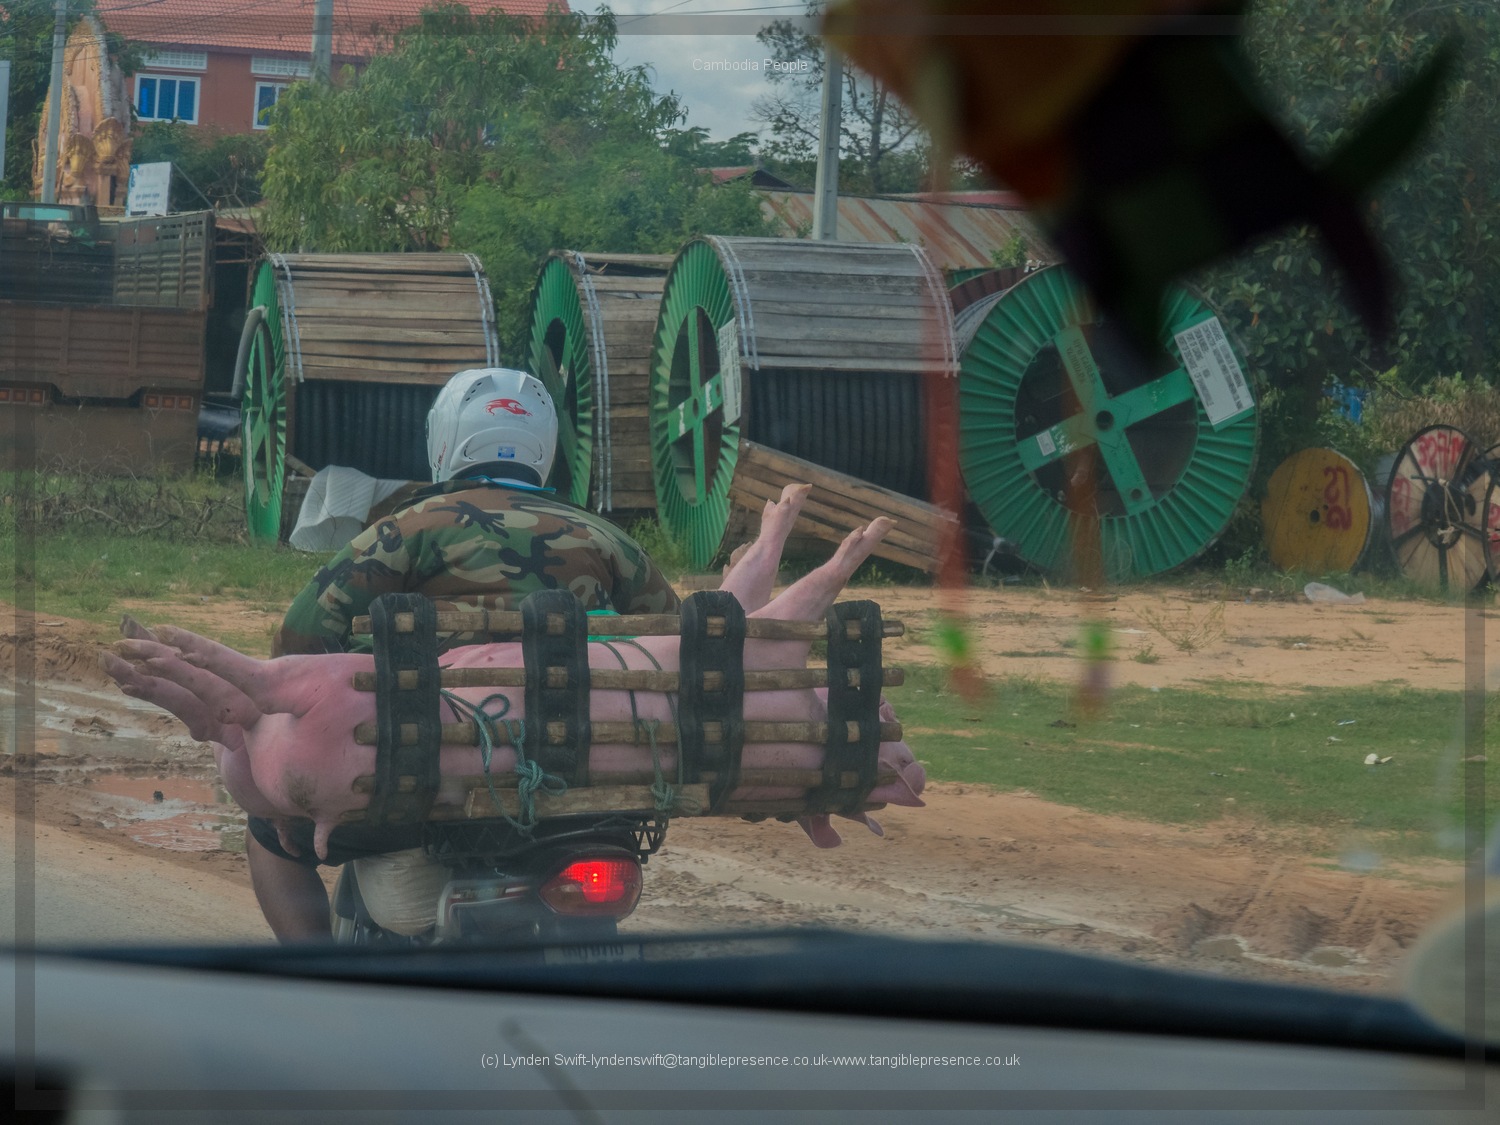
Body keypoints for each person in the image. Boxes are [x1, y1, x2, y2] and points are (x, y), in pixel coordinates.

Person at [247, 367, 682, 942]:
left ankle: (317, 977)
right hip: (580, 780)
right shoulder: (606, 537)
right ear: (545, 448)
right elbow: (671, 642)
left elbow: (300, 638)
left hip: (423, 779)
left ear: (445, 442)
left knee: (267, 833)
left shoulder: (407, 528)